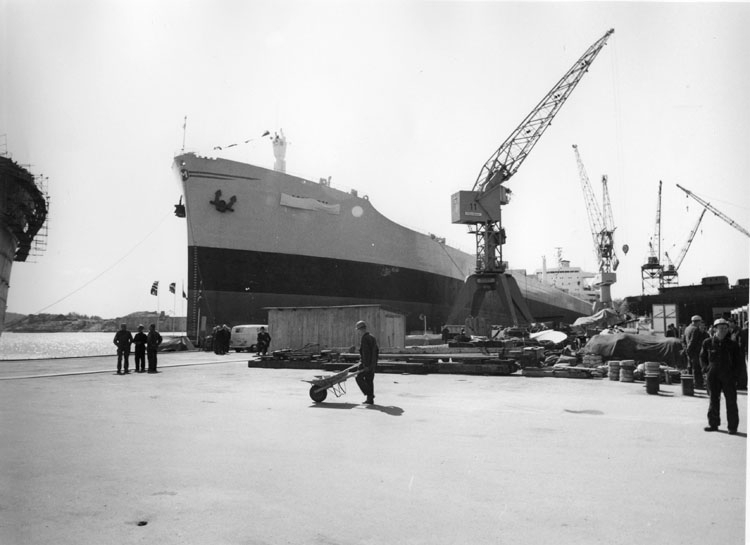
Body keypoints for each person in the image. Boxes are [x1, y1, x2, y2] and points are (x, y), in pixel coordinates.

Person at [700, 318, 745, 434]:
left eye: (725, 328)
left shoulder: (732, 344)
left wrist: (736, 376)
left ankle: (732, 427)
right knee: (713, 399)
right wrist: (706, 369)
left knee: (731, 401)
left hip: (728, 375)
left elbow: (739, 362)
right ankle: (713, 424)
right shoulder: (707, 342)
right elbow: (702, 357)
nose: (724, 330)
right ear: (715, 329)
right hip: (713, 375)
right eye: (721, 328)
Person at [354, 320, 379, 405]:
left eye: (358, 330)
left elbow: (366, 353)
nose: (358, 332)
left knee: (358, 378)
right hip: (372, 363)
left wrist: (365, 365)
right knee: (369, 380)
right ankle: (370, 399)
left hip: (367, 364)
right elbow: (376, 351)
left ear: (361, 329)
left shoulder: (365, 338)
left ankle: (369, 394)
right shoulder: (372, 337)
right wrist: (374, 363)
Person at [682, 315, 709, 389]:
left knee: (690, 368)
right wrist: (689, 351)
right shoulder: (695, 329)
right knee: (697, 369)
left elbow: (683, 341)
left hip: (689, 351)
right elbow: (692, 341)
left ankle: (690, 384)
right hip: (695, 352)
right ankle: (698, 384)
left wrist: (686, 350)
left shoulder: (687, 328)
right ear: (698, 322)